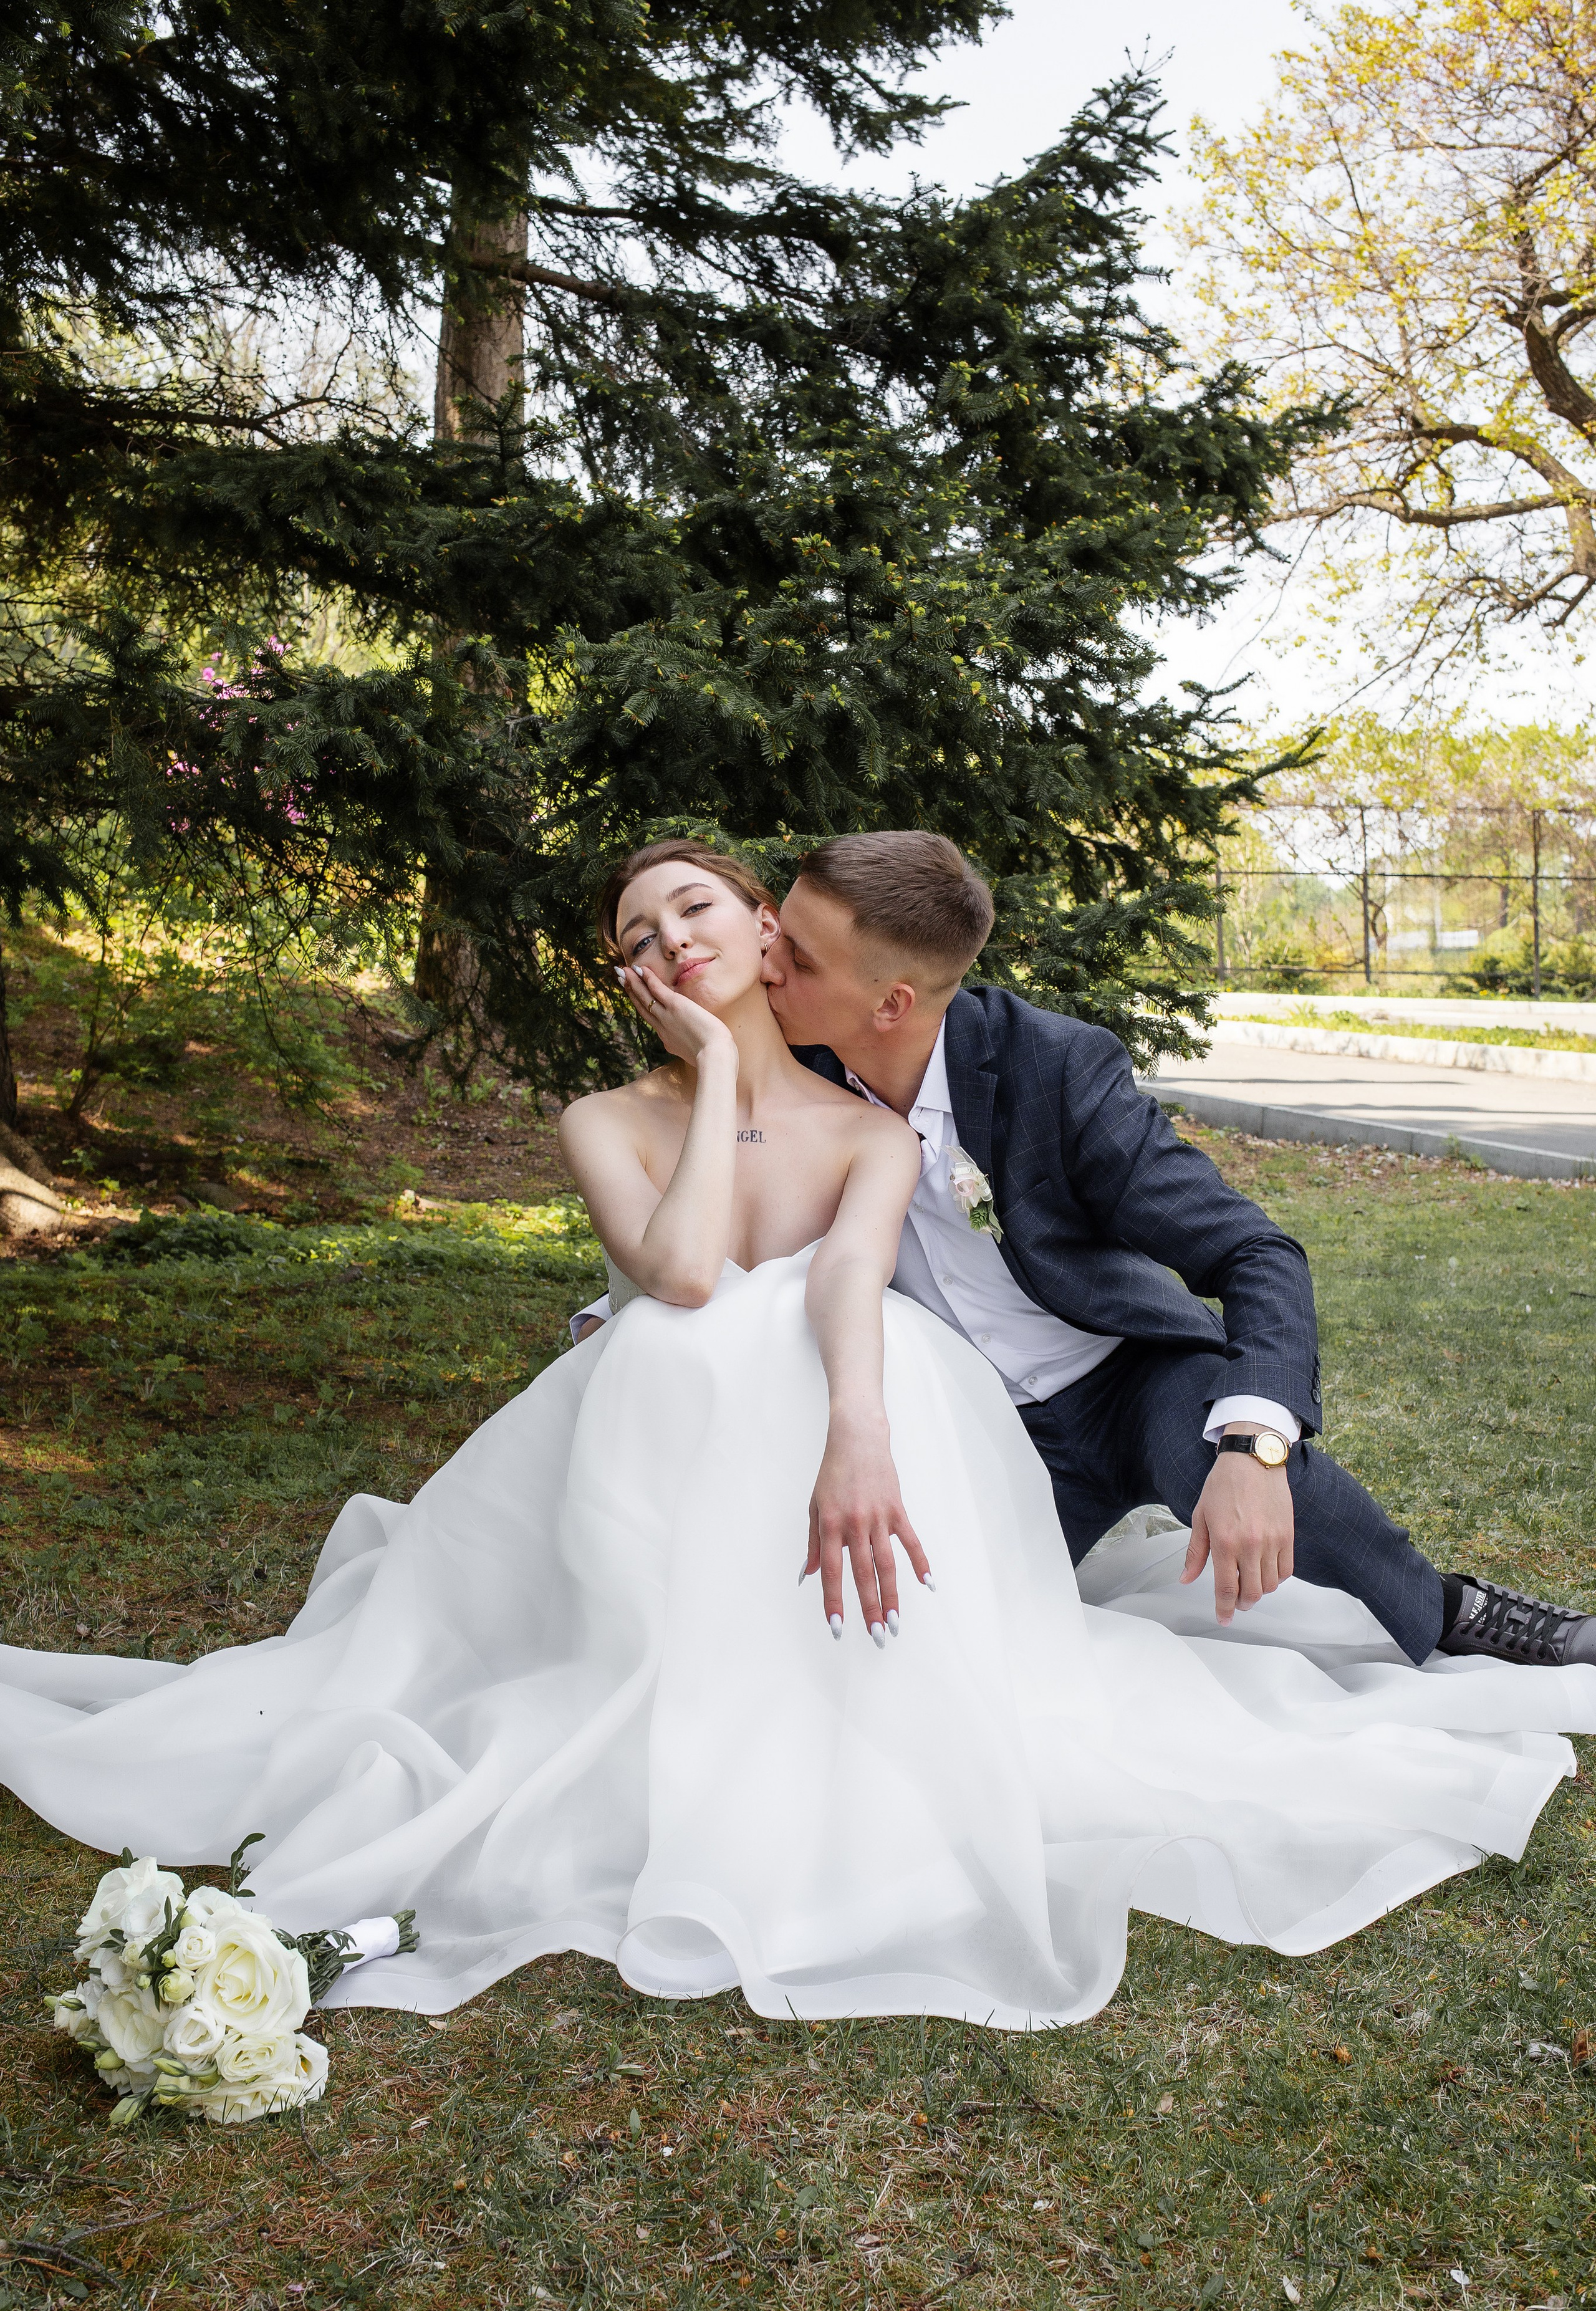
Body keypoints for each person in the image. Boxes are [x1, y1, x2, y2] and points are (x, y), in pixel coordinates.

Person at [3, 838, 1594, 2034]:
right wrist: (672, 1167)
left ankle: (1443, 1610)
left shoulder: (1001, 1081)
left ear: (817, 963)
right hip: (914, 1436)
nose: (709, 942)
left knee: (1202, 1453)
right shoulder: (702, 1078)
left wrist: (1231, 1444)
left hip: (1076, 1382)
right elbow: (696, 1261)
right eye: (658, 932)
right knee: (884, 1644)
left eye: (727, 919)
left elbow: (1203, 1257)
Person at [576, 830, 1596, 1677]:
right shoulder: (783, 1044)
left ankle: (1448, 1609)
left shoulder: (1054, 1070)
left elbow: (1254, 1251)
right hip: (976, 1427)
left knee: (1215, 1451)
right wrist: (619, 1302)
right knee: (933, 1650)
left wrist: (1258, 1444)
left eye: (794, 954)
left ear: (891, 1002)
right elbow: (734, 1187)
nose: (765, 956)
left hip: (1119, 1375)